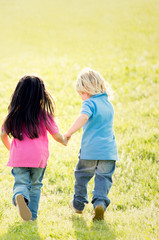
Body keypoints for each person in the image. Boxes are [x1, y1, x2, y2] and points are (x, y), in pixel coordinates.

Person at [0, 74, 68, 221]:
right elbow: (56, 135)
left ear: (18, 94)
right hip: (38, 158)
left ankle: (20, 197)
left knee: (21, 182)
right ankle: (32, 216)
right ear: (41, 95)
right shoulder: (44, 115)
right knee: (36, 185)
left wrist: (11, 149)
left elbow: (2, 135)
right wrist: (64, 140)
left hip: (18, 157)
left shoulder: (12, 115)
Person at [64, 67, 119, 221]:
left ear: (87, 90)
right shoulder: (108, 104)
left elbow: (83, 117)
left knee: (82, 176)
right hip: (108, 151)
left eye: (81, 93)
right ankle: (99, 204)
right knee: (103, 178)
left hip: (90, 150)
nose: (81, 97)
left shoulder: (89, 103)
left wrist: (68, 133)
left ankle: (78, 204)